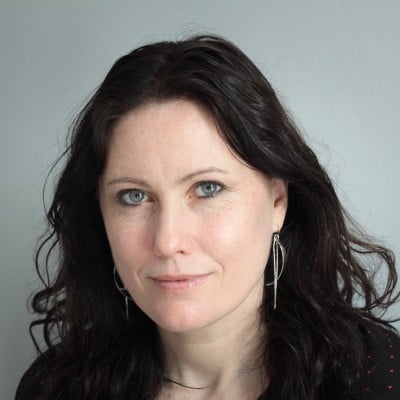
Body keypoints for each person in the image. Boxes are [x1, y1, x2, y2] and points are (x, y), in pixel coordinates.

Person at [16, 35, 399, 400]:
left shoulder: (374, 379)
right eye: (134, 196)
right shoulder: (52, 388)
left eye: (207, 188)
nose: (167, 241)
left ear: (278, 202)